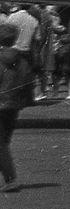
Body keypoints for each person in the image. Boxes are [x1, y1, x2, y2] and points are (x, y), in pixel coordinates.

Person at [0, 22, 33, 192]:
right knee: (4, 141)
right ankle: (9, 178)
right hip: (13, 105)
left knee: (1, 145)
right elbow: (28, 81)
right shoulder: (22, 60)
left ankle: (11, 179)